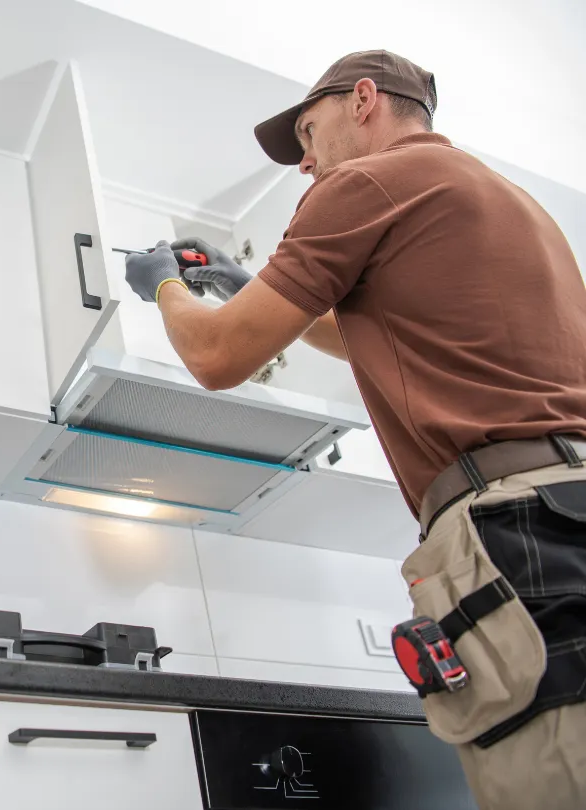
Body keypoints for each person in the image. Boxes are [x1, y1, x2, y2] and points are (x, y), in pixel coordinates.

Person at [123, 50, 586, 810]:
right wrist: (250, 288)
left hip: (517, 529)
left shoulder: (365, 182)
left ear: (363, 99)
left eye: (309, 132)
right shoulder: (511, 202)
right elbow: (378, 333)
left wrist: (165, 285)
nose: (306, 163)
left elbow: (215, 355)